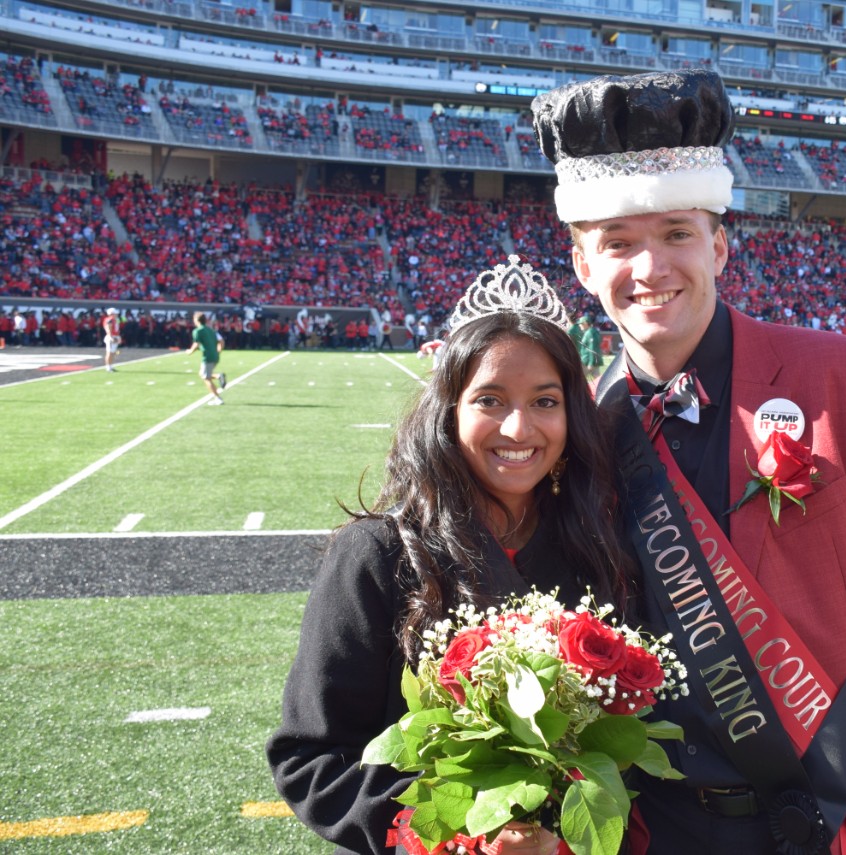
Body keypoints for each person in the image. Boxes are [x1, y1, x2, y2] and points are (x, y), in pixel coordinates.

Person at [533, 69, 846, 855]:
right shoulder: (572, 427)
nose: (650, 269)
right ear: (581, 265)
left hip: (837, 820)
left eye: (677, 233)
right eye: (618, 244)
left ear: (721, 243)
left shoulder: (841, 379)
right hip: (657, 831)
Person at [266, 256, 633, 855]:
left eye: (545, 401)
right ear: (448, 412)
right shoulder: (379, 555)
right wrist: (451, 835)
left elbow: (623, 752)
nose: (519, 428)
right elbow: (311, 759)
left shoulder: (596, 547)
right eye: (490, 400)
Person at [186, 311, 226, 405]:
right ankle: (218, 376)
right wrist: (219, 350)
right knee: (203, 374)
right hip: (215, 355)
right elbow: (221, 341)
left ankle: (217, 398)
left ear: (196, 320)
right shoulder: (211, 330)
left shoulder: (197, 331)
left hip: (207, 356)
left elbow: (196, 344)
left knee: (206, 378)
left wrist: (190, 351)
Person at [576, 314, 603, 380]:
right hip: (593, 361)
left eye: (581, 323)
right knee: (598, 381)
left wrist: (591, 363)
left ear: (586, 323)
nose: (579, 325)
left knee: (578, 381)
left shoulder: (590, 333)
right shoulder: (593, 331)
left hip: (588, 361)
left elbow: (592, 348)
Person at [102, 308, 121, 372]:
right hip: (112, 336)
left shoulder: (116, 319)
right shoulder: (109, 320)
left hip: (115, 336)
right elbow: (108, 328)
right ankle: (108, 367)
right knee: (109, 352)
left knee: (113, 352)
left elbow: (117, 329)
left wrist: (118, 337)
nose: (116, 314)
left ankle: (111, 366)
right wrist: (111, 337)